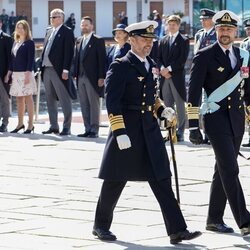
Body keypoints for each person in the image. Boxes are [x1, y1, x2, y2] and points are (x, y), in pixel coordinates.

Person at [92, 20, 202, 245]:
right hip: (128, 130)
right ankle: (100, 225)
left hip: (149, 130)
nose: (148, 44)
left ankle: (177, 230)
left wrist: (163, 111)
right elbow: (112, 102)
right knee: (115, 179)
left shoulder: (152, 63)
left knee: (162, 177)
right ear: (131, 40)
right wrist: (119, 131)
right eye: (143, 40)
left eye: (151, 40)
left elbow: (152, 98)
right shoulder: (120, 65)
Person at [187, 10, 250, 236]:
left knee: (222, 169)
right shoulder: (204, 55)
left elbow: (247, 89)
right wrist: (193, 125)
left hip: (237, 120)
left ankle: (214, 219)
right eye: (221, 29)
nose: (225, 33)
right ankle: (245, 220)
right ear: (215, 30)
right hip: (216, 119)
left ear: (236, 31)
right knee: (230, 168)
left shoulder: (242, 55)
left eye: (229, 29)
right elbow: (193, 92)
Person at [41, 8, 75, 136]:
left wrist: (66, 69)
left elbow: (69, 52)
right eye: (51, 16)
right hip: (46, 69)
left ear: (61, 18)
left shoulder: (67, 32)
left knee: (64, 98)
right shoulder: (49, 31)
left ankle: (67, 127)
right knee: (50, 99)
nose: (52, 19)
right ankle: (53, 125)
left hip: (59, 70)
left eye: (54, 17)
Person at [158, 15, 190, 142]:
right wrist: (162, 69)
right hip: (165, 78)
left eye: (174, 24)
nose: (171, 26)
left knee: (180, 105)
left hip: (176, 77)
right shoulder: (163, 40)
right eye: (169, 24)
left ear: (178, 25)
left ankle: (180, 131)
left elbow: (182, 60)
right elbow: (158, 58)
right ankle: (170, 131)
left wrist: (169, 69)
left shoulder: (184, 40)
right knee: (168, 105)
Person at [74, 16, 106, 138]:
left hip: (93, 78)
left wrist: (101, 77)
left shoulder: (98, 40)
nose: (84, 26)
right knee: (84, 104)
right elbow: (76, 59)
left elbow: (101, 60)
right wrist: (75, 74)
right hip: (80, 77)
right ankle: (87, 128)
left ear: (92, 26)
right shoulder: (78, 40)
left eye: (86, 24)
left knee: (94, 104)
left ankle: (94, 129)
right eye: (82, 25)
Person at [5, 20, 37, 134]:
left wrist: (28, 74)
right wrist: (9, 72)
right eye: (18, 27)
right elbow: (12, 60)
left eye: (22, 27)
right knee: (19, 100)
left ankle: (30, 125)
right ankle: (20, 124)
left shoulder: (30, 43)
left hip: (26, 73)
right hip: (16, 74)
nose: (19, 29)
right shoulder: (15, 42)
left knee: (28, 99)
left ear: (26, 29)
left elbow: (30, 60)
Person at [194, 8, 217, 144]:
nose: (202, 21)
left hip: (212, 74)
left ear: (212, 20)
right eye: (201, 19)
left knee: (210, 103)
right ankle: (202, 132)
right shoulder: (199, 34)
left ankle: (210, 134)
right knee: (201, 104)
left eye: (205, 19)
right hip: (200, 73)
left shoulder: (216, 34)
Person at [0, 19, 13, 132]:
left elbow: (10, 59)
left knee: (5, 100)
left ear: (0, 23)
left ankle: (5, 123)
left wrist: (8, 74)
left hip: (3, 74)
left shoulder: (7, 38)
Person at [241, 19, 250, 147]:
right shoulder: (244, 44)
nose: (249, 31)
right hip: (247, 81)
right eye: (247, 29)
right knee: (248, 108)